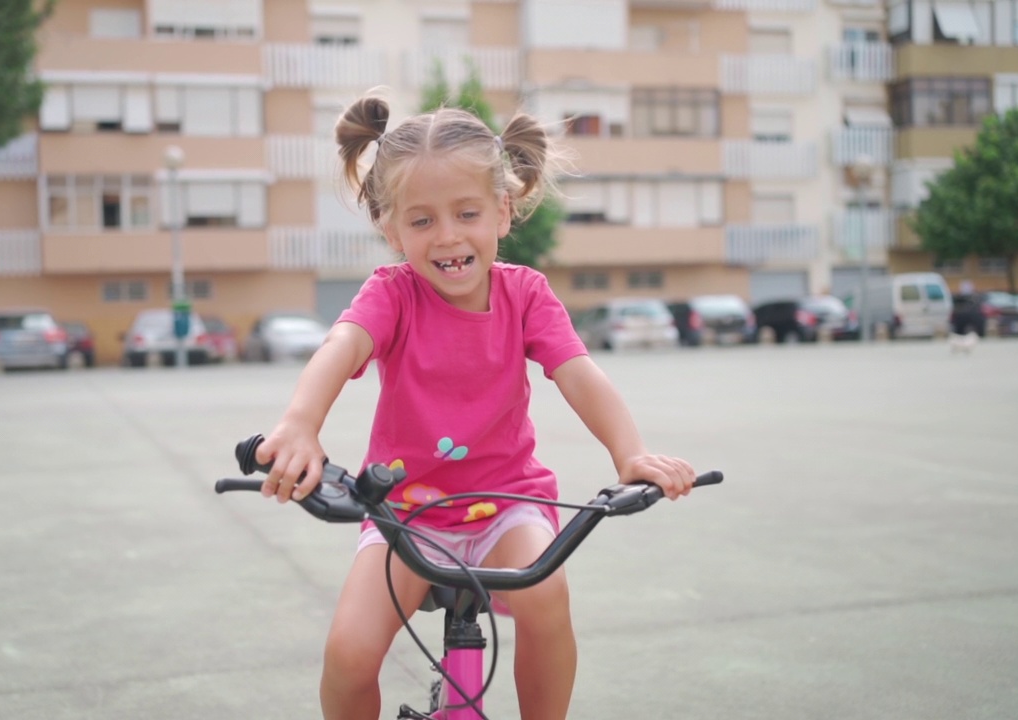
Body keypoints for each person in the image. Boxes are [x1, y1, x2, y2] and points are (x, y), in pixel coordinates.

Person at [254, 94, 699, 720]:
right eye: (422, 221)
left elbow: (580, 375)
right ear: (391, 227)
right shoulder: (393, 295)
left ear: (503, 211)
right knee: (350, 655)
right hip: (406, 514)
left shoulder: (526, 294)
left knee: (546, 598)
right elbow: (341, 345)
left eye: (467, 212)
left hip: (508, 505)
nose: (449, 237)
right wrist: (299, 424)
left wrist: (630, 453)